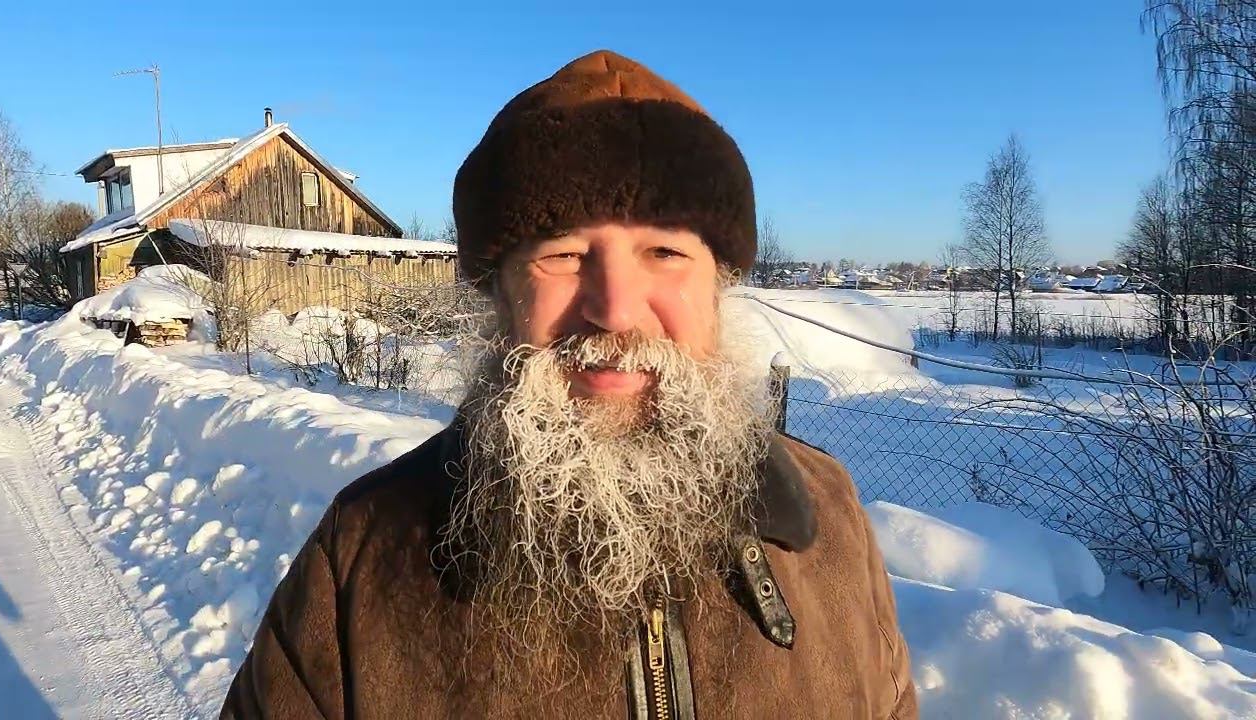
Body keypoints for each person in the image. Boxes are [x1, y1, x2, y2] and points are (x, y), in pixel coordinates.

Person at [221, 49, 916, 720]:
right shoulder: (362, 558)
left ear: (718, 288)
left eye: (665, 252)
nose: (615, 309)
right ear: (500, 296)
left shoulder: (830, 519)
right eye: (563, 255)